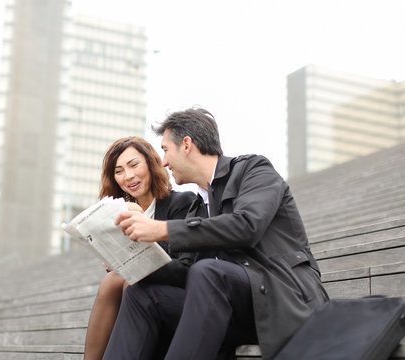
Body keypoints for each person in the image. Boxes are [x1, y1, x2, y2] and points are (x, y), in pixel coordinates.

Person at [103, 108, 329, 360]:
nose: (164, 162)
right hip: (228, 309)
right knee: (141, 293)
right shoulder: (197, 206)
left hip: (282, 302)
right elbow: (184, 270)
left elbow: (246, 226)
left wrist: (162, 229)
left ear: (186, 144)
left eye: (166, 150)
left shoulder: (254, 170)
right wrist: (129, 259)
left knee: (208, 271)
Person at [83, 136, 196, 360]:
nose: (129, 176)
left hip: (174, 291)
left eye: (134, 165)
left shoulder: (181, 203)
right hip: (135, 290)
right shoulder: (118, 213)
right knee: (112, 280)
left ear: (151, 164)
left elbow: (185, 267)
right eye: (119, 171)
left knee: (127, 282)